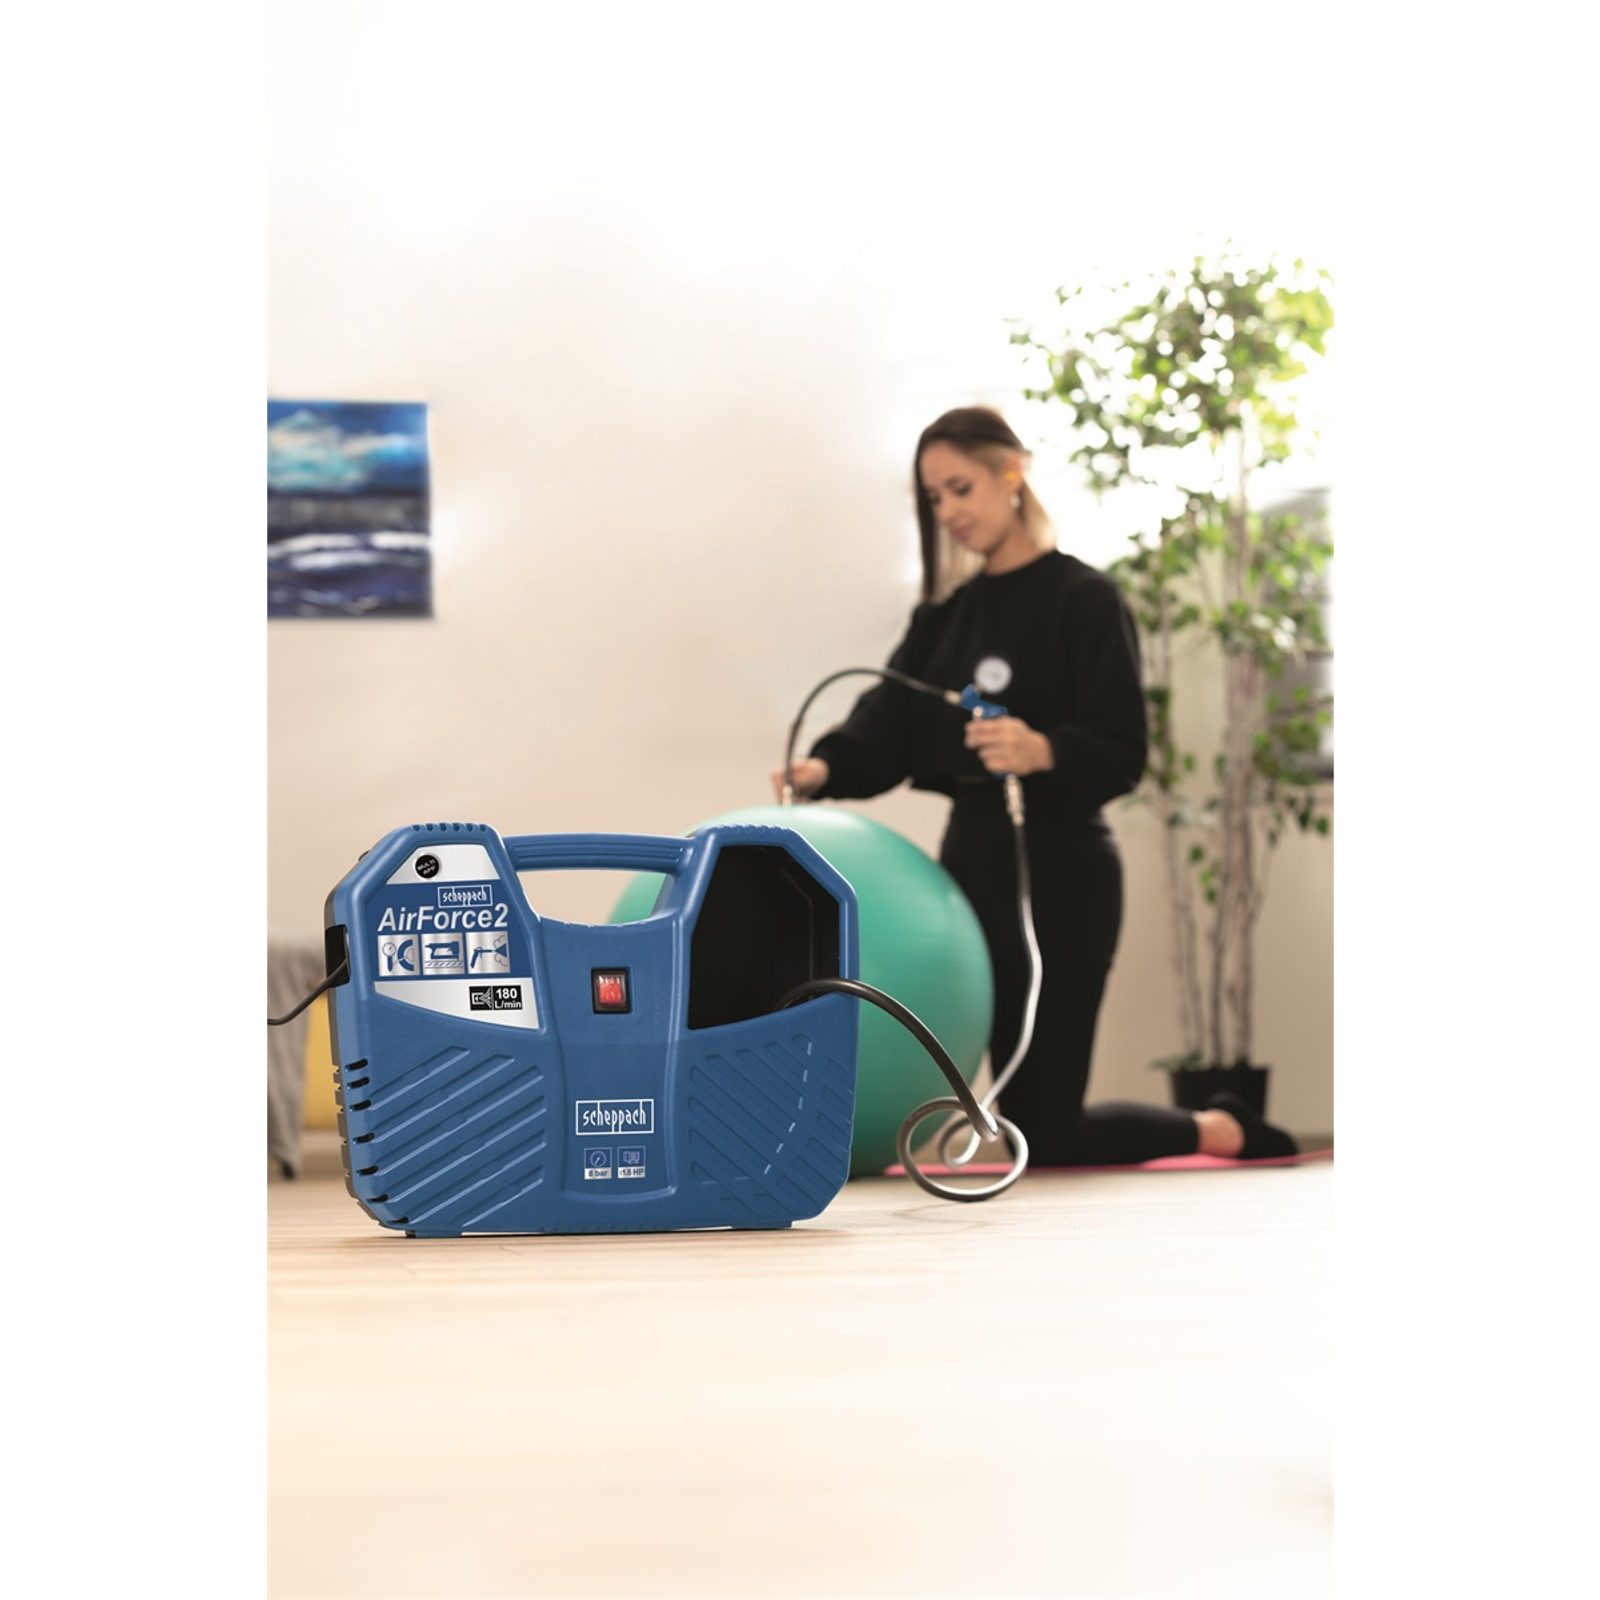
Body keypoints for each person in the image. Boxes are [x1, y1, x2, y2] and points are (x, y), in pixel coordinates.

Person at [770, 406, 1296, 1166]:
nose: (949, 512)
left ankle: (1219, 1127)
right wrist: (824, 767)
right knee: (1018, 1117)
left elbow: (1123, 749)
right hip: (966, 871)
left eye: (961, 489)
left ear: (1011, 473)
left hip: (1065, 871)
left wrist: (1043, 748)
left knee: (1045, 1131)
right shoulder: (945, 619)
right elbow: (887, 724)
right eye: (934, 499)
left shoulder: (1085, 599)